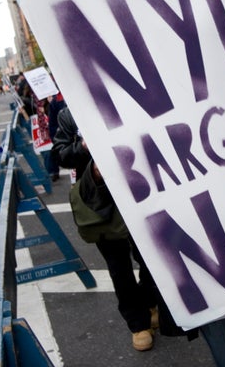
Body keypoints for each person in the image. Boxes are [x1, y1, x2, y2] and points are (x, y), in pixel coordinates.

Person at [52, 106, 159, 351]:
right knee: (118, 265)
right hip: (101, 200)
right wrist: (83, 148)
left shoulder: (121, 97)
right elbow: (60, 154)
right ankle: (137, 323)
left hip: (141, 188)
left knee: (151, 255)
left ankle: (150, 302)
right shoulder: (68, 114)